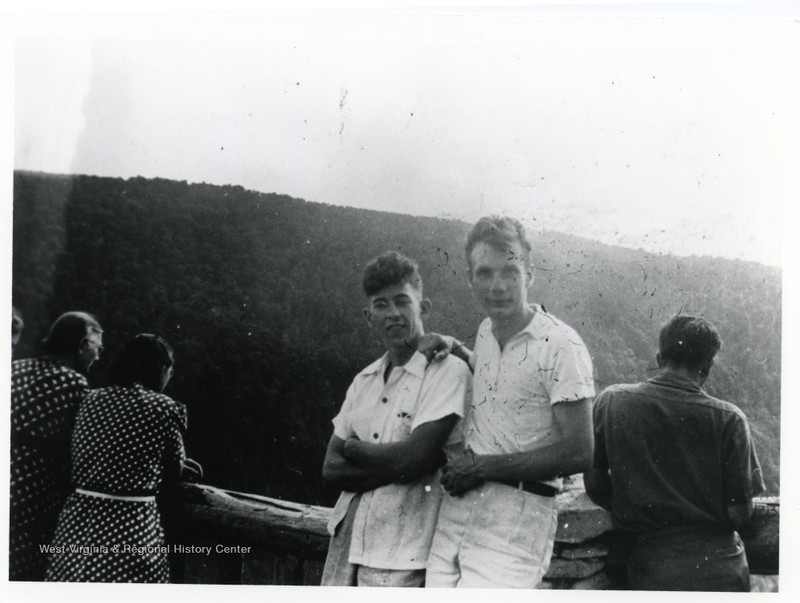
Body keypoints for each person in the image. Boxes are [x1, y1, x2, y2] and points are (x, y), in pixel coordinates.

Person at [421, 215, 596, 588]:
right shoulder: (486, 331)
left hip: (517, 519)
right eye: (484, 273)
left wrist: (481, 468)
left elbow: (580, 451)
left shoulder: (561, 345)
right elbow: (494, 372)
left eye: (509, 272)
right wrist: (455, 346)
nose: (496, 286)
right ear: (469, 279)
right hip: (459, 510)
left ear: (529, 274)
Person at [320, 251, 470, 587]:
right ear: (367, 315)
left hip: (405, 552)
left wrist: (355, 449)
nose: (393, 314)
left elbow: (412, 461)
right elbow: (331, 467)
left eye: (402, 302)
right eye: (381, 305)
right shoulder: (364, 380)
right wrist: (398, 463)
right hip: (346, 544)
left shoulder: (447, 372)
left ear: (424, 307)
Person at [584, 314, 765, 591]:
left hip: (652, 567)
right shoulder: (730, 419)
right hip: (722, 570)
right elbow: (740, 514)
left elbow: (595, 483)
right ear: (708, 365)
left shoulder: (611, 401)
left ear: (659, 358)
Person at [45, 333, 201, 583]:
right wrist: (182, 466)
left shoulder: (91, 398)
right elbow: (173, 470)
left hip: (77, 518)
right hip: (130, 521)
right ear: (161, 369)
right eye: (170, 371)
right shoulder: (165, 407)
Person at [9, 311, 104, 581]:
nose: (98, 355)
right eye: (97, 347)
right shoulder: (75, 384)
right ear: (82, 345)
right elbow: (83, 446)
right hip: (36, 495)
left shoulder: (16, 368)